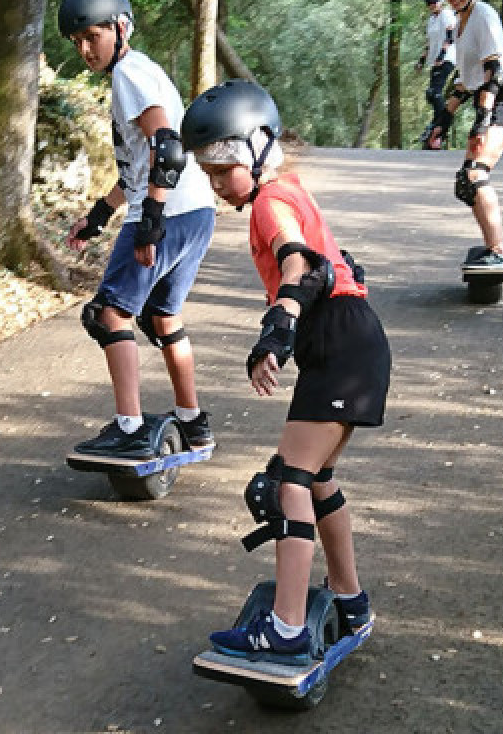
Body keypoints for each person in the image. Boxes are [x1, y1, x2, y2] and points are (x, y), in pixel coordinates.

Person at [181, 80, 391, 665]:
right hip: (351, 341)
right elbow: (329, 263)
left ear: (258, 148)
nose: (218, 182)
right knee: (315, 478)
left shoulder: (272, 202)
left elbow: (298, 261)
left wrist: (280, 325)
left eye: (225, 168)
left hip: (340, 341)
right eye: (208, 171)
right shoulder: (289, 190)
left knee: (284, 485)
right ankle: (350, 601)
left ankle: (287, 628)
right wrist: (288, 328)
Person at [58, 0, 218, 459]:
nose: (86, 49)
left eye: (94, 36)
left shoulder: (129, 75)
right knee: (162, 316)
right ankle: (192, 423)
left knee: (109, 314)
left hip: (168, 213)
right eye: (78, 41)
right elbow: (144, 160)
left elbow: (166, 148)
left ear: (121, 27)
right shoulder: (142, 72)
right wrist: (103, 211)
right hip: (197, 211)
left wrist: (149, 220)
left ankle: (129, 429)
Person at [429, 0, 503, 273]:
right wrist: (441, 121)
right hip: (491, 100)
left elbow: (495, 72)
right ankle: (491, 248)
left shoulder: (483, 14)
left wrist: (482, 123)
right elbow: (465, 84)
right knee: (466, 181)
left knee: (475, 174)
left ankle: (498, 252)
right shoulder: (460, 24)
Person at [416, 0, 457, 150]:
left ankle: (441, 128)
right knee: (431, 95)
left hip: (446, 59)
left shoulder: (446, 15)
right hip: (434, 61)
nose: (432, 6)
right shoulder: (431, 20)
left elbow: (450, 37)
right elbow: (429, 43)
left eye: (435, 2)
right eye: (430, 4)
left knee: (435, 93)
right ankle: (436, 126)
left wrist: (441, 56)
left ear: (441, 2)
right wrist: (421, 60)